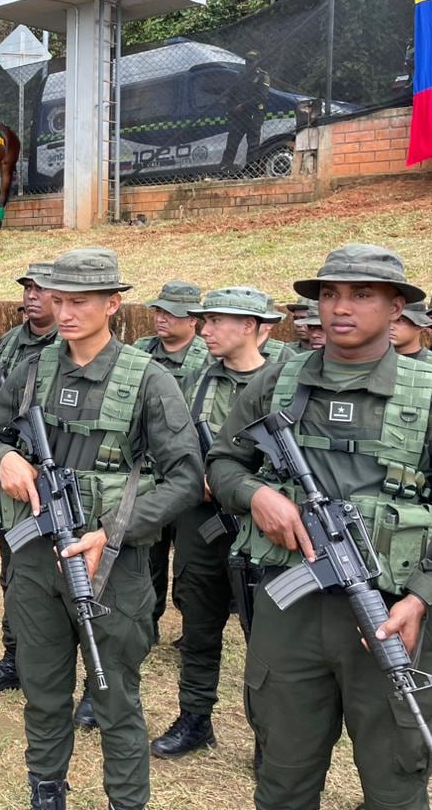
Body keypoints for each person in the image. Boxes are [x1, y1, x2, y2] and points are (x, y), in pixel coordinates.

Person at [207, 243, 432, 810]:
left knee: (395, 786)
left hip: (390, 616)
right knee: (283, 780)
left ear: (396, 309)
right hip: (290, 612)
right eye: (331, 294)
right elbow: (222, 460)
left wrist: (421, 597)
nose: (341, 307)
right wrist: (256, 494)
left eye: (363, 294)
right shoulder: (278, 381)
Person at [0, 247, 203, 810]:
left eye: (79, 302)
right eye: (58, 300)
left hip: (111, 564)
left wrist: (117, 531)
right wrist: (2, 458)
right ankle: (46, 792)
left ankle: (126, 801)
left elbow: (186, 476)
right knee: (44, 692)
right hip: (34, 560)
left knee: (114, 697)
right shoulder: (31, 369)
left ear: (113, 304)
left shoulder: (147, 379)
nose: (65, 312)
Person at [150, 287, 282, 760]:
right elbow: (166, 439)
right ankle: (195, 718)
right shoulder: (193, 379)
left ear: (250, 326)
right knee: (201, 624)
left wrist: (241, 485)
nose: (204, 330)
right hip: (203, 521)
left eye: (216, 322)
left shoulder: (285, 382)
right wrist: (196, 476)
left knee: (265, 637)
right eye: (203, 322)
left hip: (262, 529)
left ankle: (270, 736)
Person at [0, 261, 57, 695]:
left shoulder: (73, 345)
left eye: (41, 288)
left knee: (72, 576)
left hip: (59, 475)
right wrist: (2, 427)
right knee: (15, 573)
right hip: (10, 478)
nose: (31, 295)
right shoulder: (8, 344)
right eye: (27, 288)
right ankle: (15, 656)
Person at [135, 280, 208, 654]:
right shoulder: (138, 353)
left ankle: (194, 632)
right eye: (159, 311)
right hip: (145, 477)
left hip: (189, 477)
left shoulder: (207, 361)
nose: (162, 319)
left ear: (193, 320)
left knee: (191, 564)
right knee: (147, 557)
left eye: (172, 313)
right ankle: (145, 624)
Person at [217, 50, 271, 172]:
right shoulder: (240, 75)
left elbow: (261, 97)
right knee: (231, 144)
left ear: (258, 61)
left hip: (253, 113)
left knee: (253, 145)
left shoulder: (262, 76)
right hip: (238, 115)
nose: (249, 63)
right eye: (247, 60)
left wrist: (243, 106)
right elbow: (231, 94)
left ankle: (251, 171)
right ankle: (225, 169)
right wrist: (229, 109)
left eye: (252, 61)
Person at [391, 301, 432, 366]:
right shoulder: (376, 359)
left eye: (400, 320)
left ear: (420, 326)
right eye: (387, 319)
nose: (390, 326)